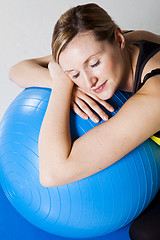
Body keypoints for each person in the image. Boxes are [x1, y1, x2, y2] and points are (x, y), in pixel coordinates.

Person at [9, 3, 160, 240]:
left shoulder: (156, 95)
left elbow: (51, 173)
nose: (89, 82)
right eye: (75, 74)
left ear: (118, 39)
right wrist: (65, 83)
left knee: (146, 233)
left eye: (94, 64)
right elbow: (18, 69)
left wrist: (63, 87)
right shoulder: (131, 42)